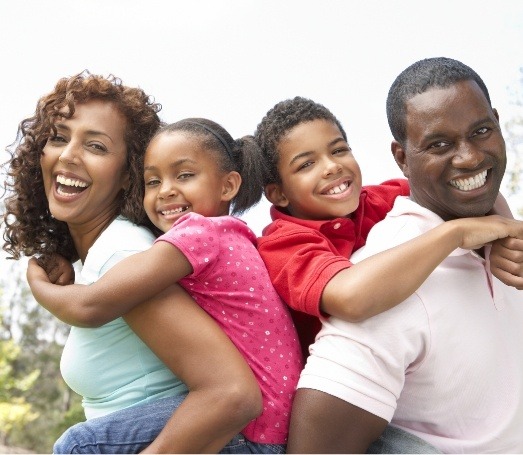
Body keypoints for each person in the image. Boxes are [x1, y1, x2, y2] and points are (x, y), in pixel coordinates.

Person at [2, 72, 263, 454]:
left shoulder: (124, 255)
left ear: (129, 175)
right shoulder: (109, 255)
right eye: (58, 137)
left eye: (95, 146)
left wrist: (39, 284)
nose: (68, 155)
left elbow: (233, 394)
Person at [287, 57, 523, 453]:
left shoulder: (502, 232)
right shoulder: (396, 278)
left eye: (481, 131)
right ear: (402, 157)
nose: (469, 157)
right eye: (439, 144)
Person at [254, 95, 521, 358]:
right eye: (306, 164)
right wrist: (456, 234)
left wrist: (504, 236)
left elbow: (466, 188)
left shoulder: (380, 199)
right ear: (278, 194)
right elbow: (350, 299)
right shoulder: (283, 245)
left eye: (338, 150)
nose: (332, 167)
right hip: (343, 382)